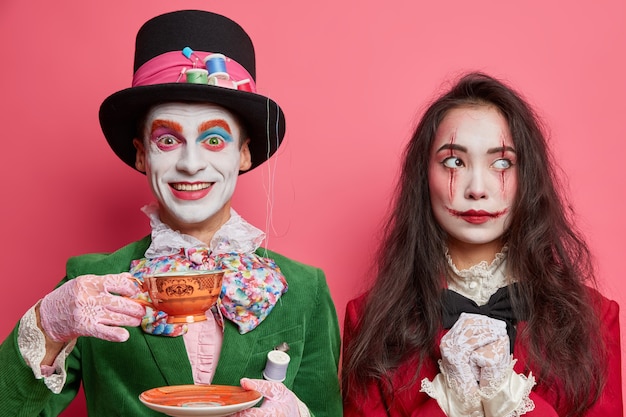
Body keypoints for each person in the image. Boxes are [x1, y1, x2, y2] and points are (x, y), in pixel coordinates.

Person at [0, 10, 342, 417]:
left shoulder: (306, 289)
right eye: (167, 139)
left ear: (245, 153)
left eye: (214, 139)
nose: (191, 164)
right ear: (142, 154)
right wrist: (47, 324)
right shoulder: (93, 286)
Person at [341, 72, 622, 416]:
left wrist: (503, 390)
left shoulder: (594, 317)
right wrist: (454, 396)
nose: (477, 188)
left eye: (501, 163)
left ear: (528, 178)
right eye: (454, 162)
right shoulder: (370, 319)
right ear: (423, 176)